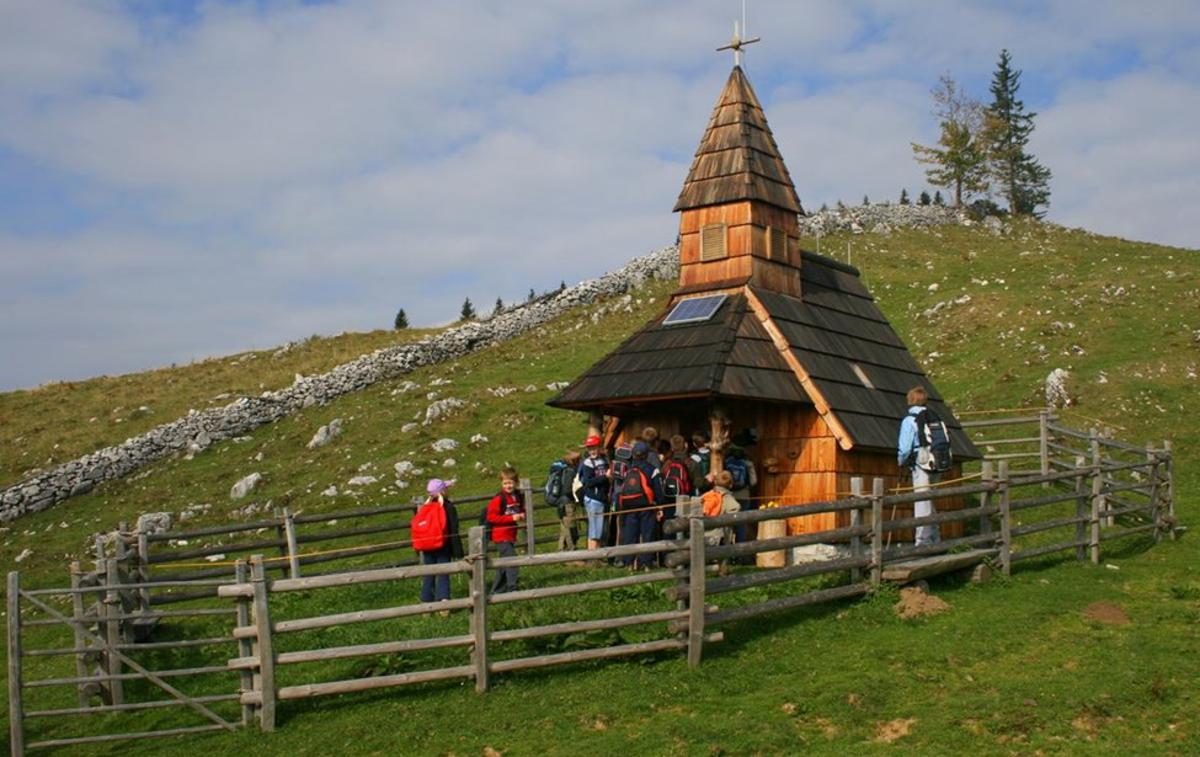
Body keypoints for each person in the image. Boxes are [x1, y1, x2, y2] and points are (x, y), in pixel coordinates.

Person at [897, 386, 940, 547]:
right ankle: (935, 539)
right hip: (936, 463)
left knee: (922, 501)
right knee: (931, 501)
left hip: (921, 464)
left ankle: (922, 543)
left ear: (910, 400)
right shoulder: (933, 418)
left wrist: (901, 461)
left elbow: (905, 447)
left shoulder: (910, 420)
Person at [617, 441, 664, 569]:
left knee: (630, 534)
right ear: (646, 454)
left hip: (630, 506)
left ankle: (629, 562)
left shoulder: (629, 469)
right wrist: (659, 506)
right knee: (647, 534)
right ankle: (646, 563)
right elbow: (658, 490)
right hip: (647, 507)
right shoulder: (652, 470)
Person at [417, 479, 464, 606]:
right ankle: (443, 602)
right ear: (443, 491)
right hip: (444, 546)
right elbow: (454, 530)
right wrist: (458, 552)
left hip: (427, 547)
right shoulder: (448, 507)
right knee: (443, 573)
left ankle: (426, 601)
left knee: (429, 574)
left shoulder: (425, 507)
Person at [486, 467, 526, 593]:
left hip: (510, 534)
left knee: (503, 563)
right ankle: (512, 587)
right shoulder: (499, 499)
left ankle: (497, 589)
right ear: (501, 483)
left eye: (510, 483)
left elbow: (520, 509)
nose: (508, 486)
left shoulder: (518, 496)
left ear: (516, 482)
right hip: (500, 535)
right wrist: (511, 518)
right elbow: (491, 517)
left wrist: (522, 514)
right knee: (512, 559)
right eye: (505, 483)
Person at [577, 435, 611, 550]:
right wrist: (605, 477)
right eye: (590, 448)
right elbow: (588, 482)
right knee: (594, 530)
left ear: (599, 447)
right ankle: (592, 556)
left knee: (600, 529)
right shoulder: (588, 463)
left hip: (602, 498)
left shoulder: (604, 460)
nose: (592, 451)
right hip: (594, 498)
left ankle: (597, 555)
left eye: (594, 448)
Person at [725, 445, 758, 548]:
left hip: (729, 495)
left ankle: (727, 548)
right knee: (741, 523)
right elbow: (753, 482)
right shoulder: (748, 464)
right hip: (744, 495)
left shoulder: (726, 463)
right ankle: (741, 549)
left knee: (727, 522)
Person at [550, 450, 582, 551]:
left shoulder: (562, 469)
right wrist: (575, 497)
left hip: (561, 501)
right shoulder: (570, 471)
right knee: (569, 527)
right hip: (567, 502)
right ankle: (571, 550)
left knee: (564, 527)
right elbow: (568, 489)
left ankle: (561, 549)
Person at [701, 470, 741, 546]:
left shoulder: (705, 496)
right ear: (731, 485)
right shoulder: (733, 504)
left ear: (715, 482)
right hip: (720, 540)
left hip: (701, 537)